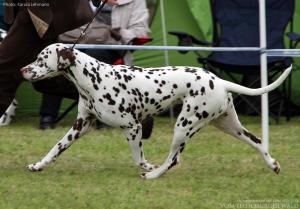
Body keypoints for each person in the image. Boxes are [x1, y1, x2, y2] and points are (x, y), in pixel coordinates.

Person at [38, 0, 151, 129]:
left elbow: (140, 31)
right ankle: (48, 116)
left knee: (92, 57)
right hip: (74, 43)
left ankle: (104, 117)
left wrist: (111, 34)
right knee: (59, 59)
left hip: (111, 47)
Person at [0, 0, 117, 118]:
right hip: (37, 12)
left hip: (38, 12)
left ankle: (106, 96)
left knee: (3, 74)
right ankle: (106, 96)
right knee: (48, 81)